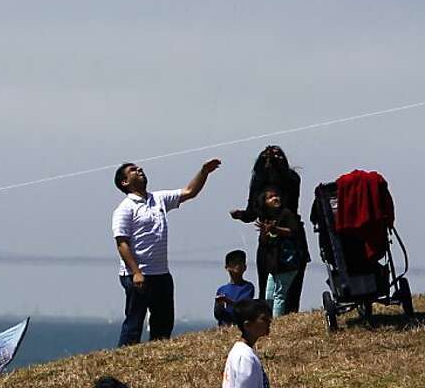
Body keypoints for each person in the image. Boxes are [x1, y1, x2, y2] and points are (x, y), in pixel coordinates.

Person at [111, 158, 222, 346]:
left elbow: (189, 192)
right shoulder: (125, 208)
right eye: (133, 170)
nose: (139, 169)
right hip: (138, 275)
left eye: (139, 167)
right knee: (134, 322)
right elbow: (122, 242)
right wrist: (136, 272)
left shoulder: (158, 199)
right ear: (124, 182)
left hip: (161, 273)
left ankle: (158, 354)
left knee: (163, 321)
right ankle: (124, 357)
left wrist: (203, 172)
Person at [230, 145, 309, 310]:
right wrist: (241, 215)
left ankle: (286, 319)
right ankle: (267, 320)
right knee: (268, 288)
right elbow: (252, 212)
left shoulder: (291, 180)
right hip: (269, 241)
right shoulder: (259, 183)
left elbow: (290, 207)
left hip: (289, 237)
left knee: (291, 289)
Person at [254, 187, 307, 317]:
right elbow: (264, 242)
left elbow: (293, 232)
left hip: (287, 263)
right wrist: (264, 232)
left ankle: (277, 324)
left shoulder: (286, 214)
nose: (275, 198)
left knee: (279, 295)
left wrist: (275, 229)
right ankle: (269, 321)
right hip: (274, 266)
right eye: (270, 197)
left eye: (276, 195)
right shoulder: (266, 218)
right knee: (269, 297)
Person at [214, 249, 256, 326]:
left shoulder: (248, 287)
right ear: (227, 267)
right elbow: (217, 315)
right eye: (234, 263)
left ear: (245, 267)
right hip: (225, 328)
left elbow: (244, 308)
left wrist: (227, 301)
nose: (238, 265)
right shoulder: (221, 290)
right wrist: (219, 306)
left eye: (241, 262)